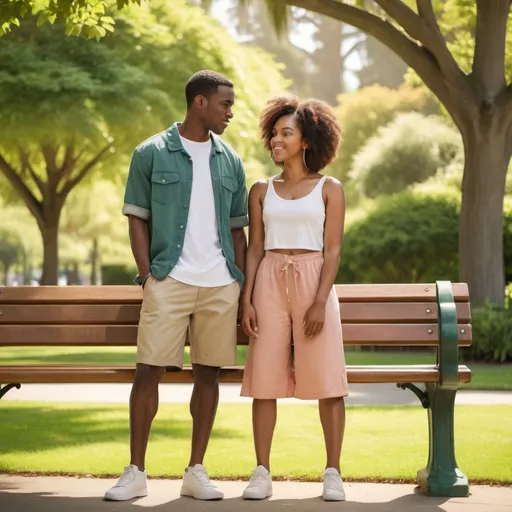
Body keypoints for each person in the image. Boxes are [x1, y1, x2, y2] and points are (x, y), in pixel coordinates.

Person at [104, 70, 248, 502]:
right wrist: (149, 276)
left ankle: (195, 471)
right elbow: (137, 219)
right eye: (225, 103)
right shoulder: (150, 153)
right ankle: (135, 472)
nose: (230, 112)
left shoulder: (231, 161)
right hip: (170, 279)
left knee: (209, 377)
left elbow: (238, 229)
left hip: (220, 283)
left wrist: (239, 282)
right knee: (148, 373)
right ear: (199, 102)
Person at [240, 95, 348, 502]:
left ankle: (333, 472)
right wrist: (247, 299)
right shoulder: (261, 189)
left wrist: (320, 300)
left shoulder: (328, 188)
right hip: (268, 280)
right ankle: (262, 472)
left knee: (328, 382)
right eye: (274, 133)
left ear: (306, 140)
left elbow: (333, 250)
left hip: (312, 280)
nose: (276, 140)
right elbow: (254, 249)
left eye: (287, 133)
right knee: (264, 382)